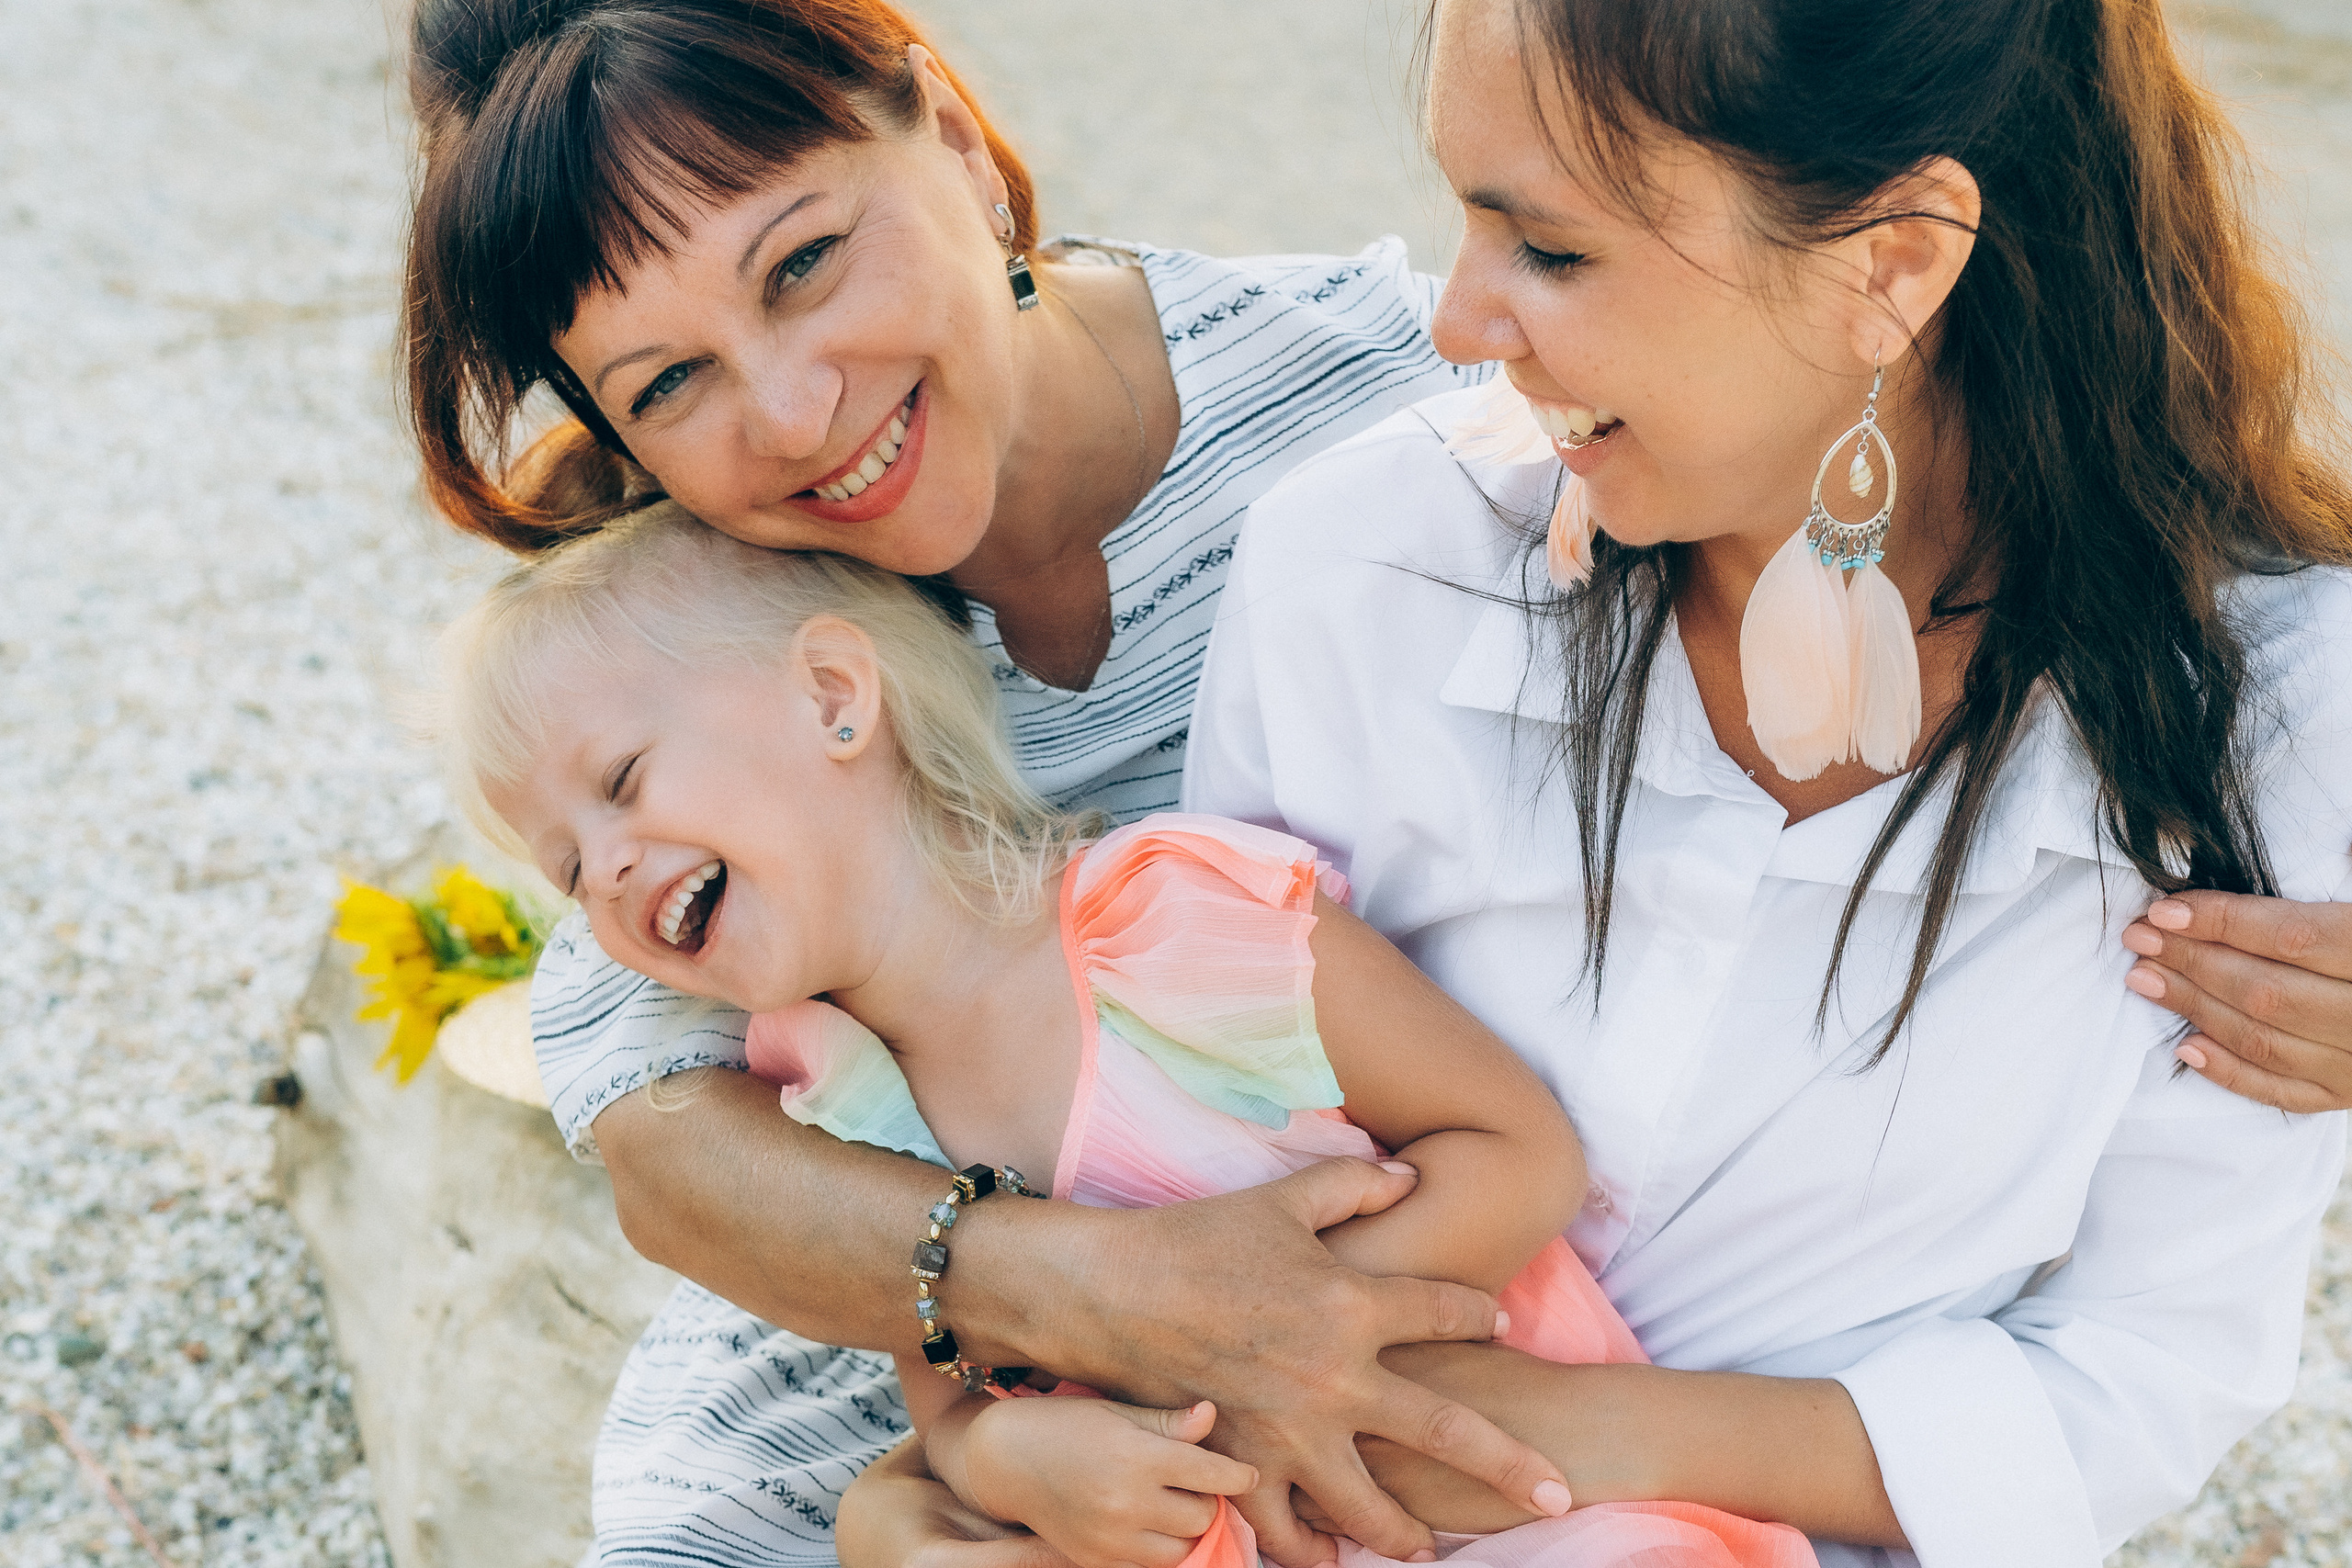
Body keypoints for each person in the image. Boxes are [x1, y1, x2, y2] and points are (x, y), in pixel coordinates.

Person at [397, 0, 2352, 1562]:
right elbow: (669, 1121)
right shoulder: (719, 602)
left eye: (807, 262)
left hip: (1348, 1401)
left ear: (944, 127)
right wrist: (985, 1428)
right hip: (1042, 1398)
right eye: (664, 381)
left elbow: (2136, 1361)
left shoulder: (1361, 429)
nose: (793, 405)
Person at [1162, 0, 2348, 1561]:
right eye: (1467, 219)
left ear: (1894, 265)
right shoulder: (1363, 567)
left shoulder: (2280, 713)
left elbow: (2145, 1366)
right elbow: (1166, 1135)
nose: (1459, 321)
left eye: (1554, 252)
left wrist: (1580, 1442)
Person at [447, 501, 1821, 1568]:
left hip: (1510, 1502)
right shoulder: (842, 1103)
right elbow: (953, 1388)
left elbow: (1516, 1151)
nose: (609, 872)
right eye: (566, 866)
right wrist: (1009, 1462)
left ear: (833, 697)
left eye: (623, 785)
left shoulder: (1170, 930)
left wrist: (1281, 1330)